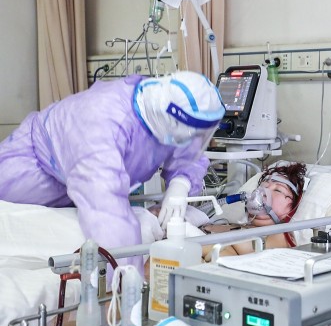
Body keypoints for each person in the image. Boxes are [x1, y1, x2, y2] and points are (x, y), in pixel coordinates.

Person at [0, 71, 225, 266]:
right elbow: (107, 215)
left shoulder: (163, 113)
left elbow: (188, 146)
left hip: (80, 191)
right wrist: (128, 282)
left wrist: (181, 183)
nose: (192, 140)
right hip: (29, 172)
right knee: (17, 234)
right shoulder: (102, 124)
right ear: (172, 120)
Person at [207, 162, 307, 256]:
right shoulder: (237, 225)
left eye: (278, 190)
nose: (263, 192)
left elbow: (260, 258)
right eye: (263, 186)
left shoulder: (280, 233)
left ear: (292, 207)